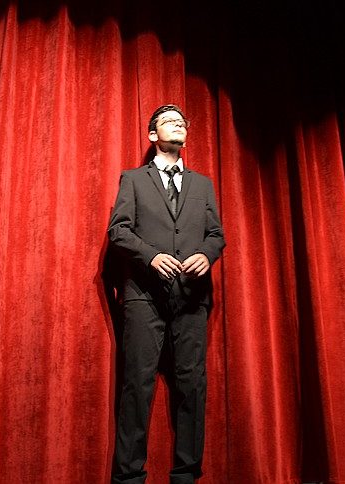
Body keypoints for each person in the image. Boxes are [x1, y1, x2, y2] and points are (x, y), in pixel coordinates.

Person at [108, 104, 226, 484]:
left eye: (182, 122)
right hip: (144, 296)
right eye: (169, 122)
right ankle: (129, 478)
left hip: (191, 298)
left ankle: (186, 475)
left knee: (192, 386)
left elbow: (215, 234)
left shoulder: (203, 185)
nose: (178, 125)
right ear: (152, 135)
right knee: (137, 384)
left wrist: (206, 255)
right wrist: (152, 256)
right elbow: (119, 230)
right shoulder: (133, 179)